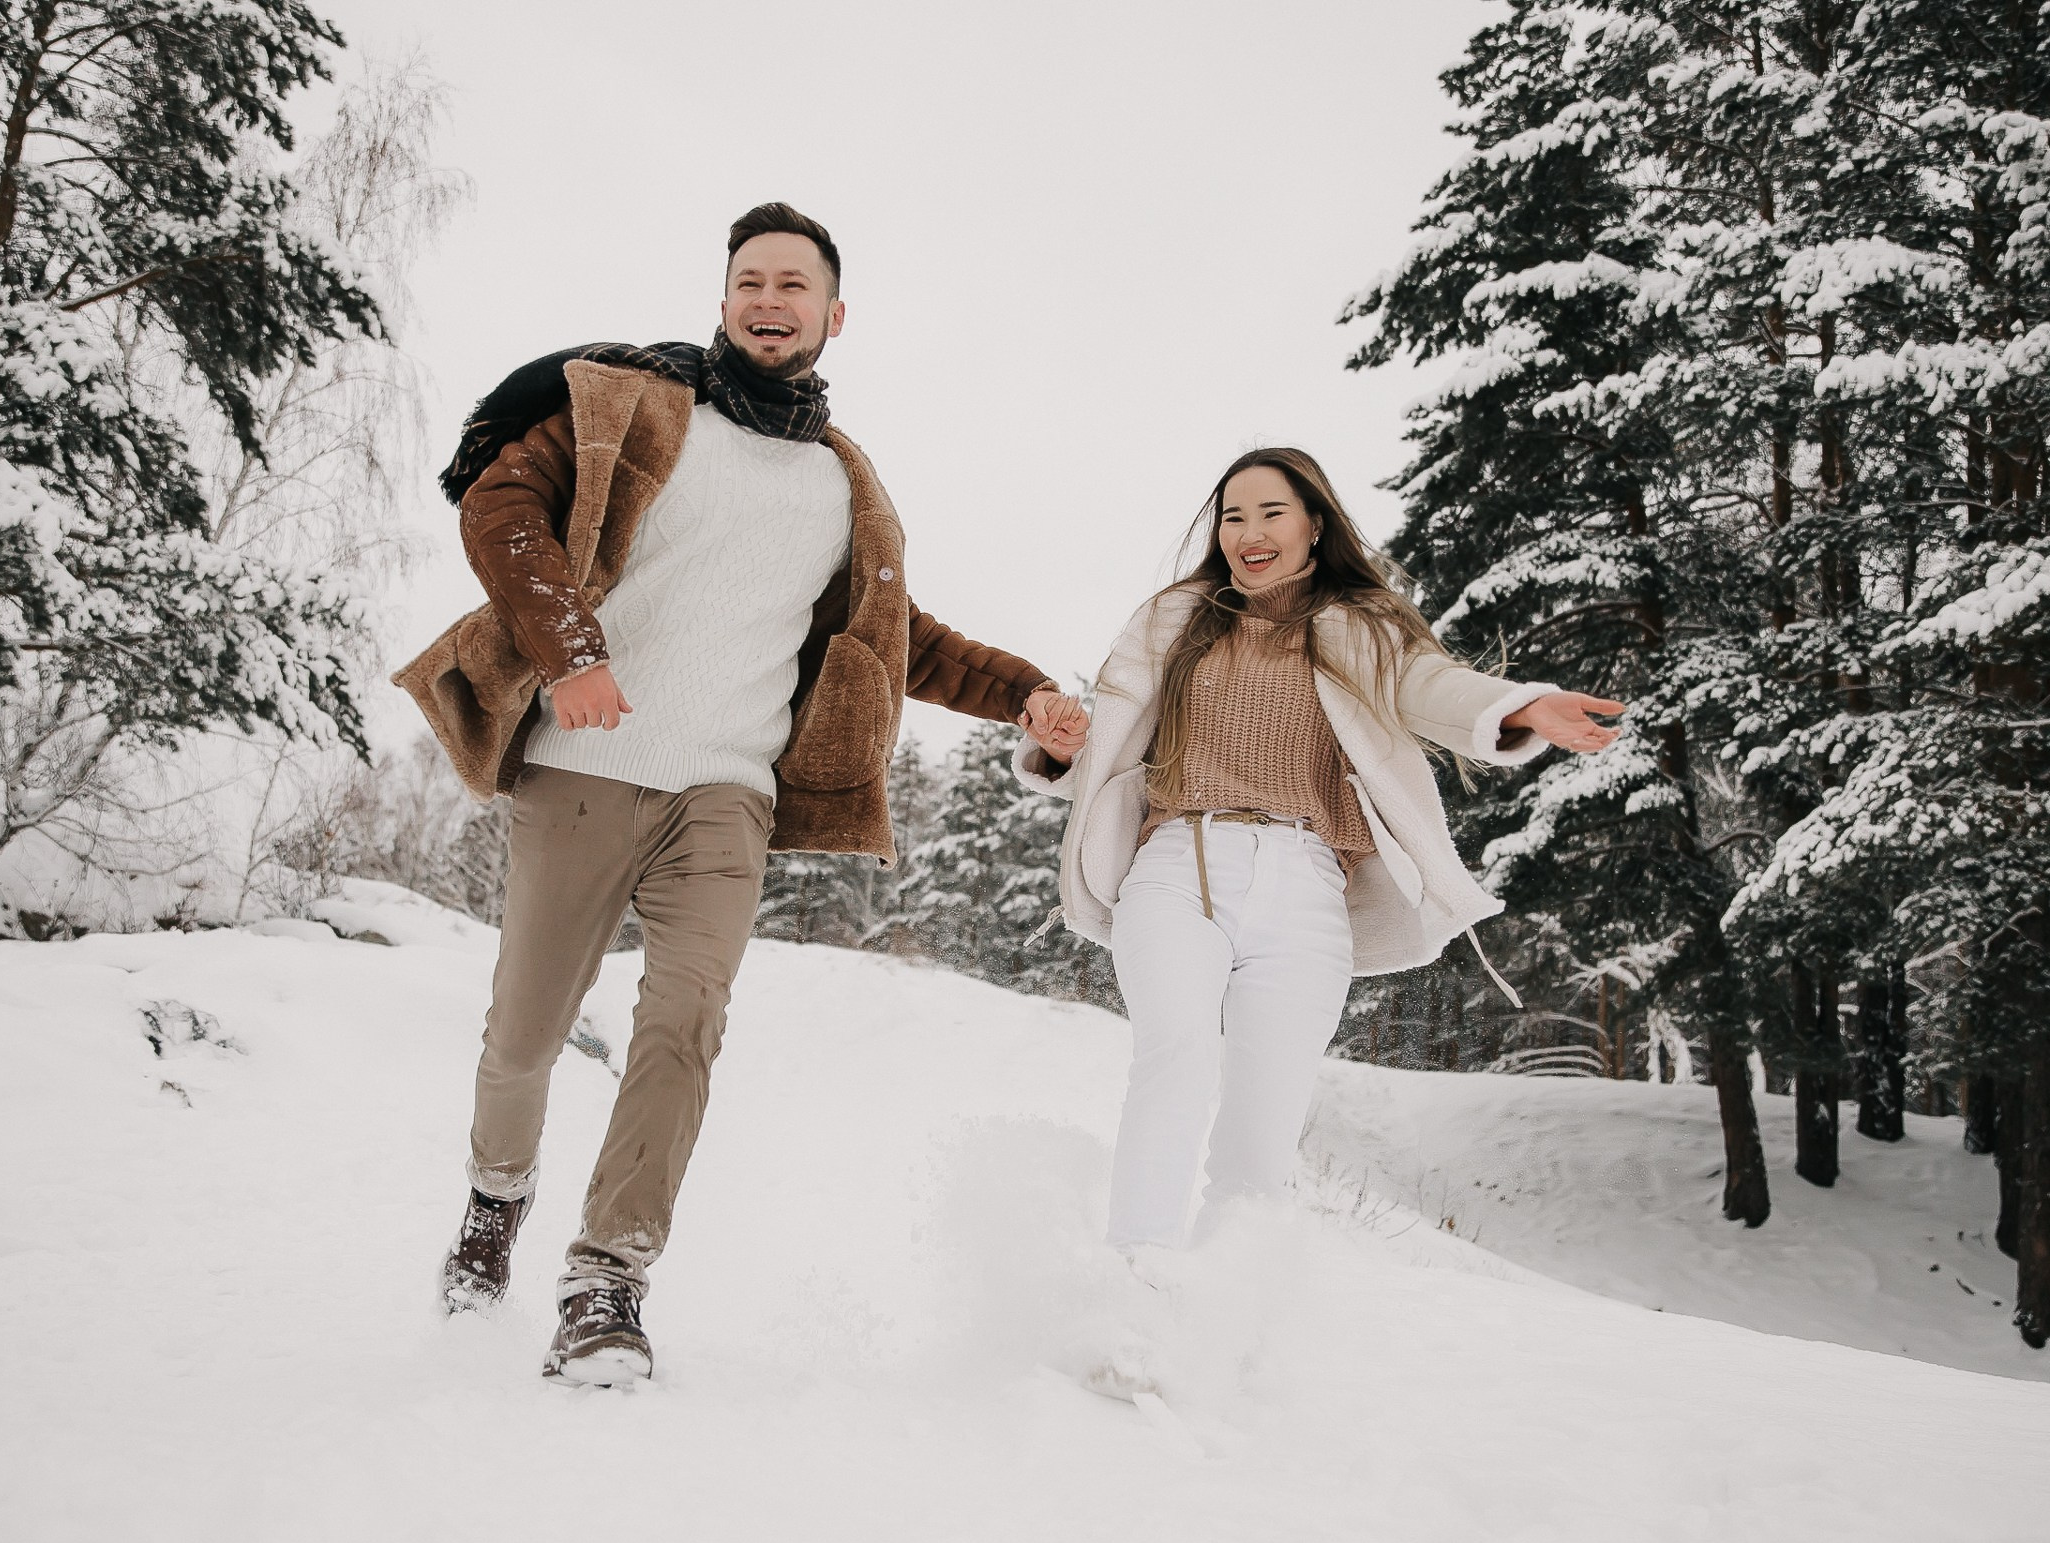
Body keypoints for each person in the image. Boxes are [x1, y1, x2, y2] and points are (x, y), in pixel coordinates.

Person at [395, 203, 1088, 1386]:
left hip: (726, 795)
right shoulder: (634, 408)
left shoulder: (843, 485)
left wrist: (1023, 691)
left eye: (795, 284)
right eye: (751, 280)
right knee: (525, 1036)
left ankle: (607, 1277)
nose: (771, 299)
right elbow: (500, 507)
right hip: (584, 767)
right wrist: (571, 648)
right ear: (724, 300)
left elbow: (896, 637)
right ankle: (493, 1200)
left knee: (686, 1023)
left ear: (834, 314)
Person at [1010, 447, 1618, 1254]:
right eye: (1233, 516)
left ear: (1314, 526)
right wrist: (1058, 748)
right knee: (1176, 1059)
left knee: (1263, 1124)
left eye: (1271, 514)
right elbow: (1114, 749)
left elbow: (1433, 687)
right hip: (1178, 866)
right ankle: (1138, 1283)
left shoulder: (1363, 631)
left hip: (1306, 888)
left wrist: (1525, 705)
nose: (1249, 533)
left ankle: (1227, 1308)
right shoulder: (1177, 621)